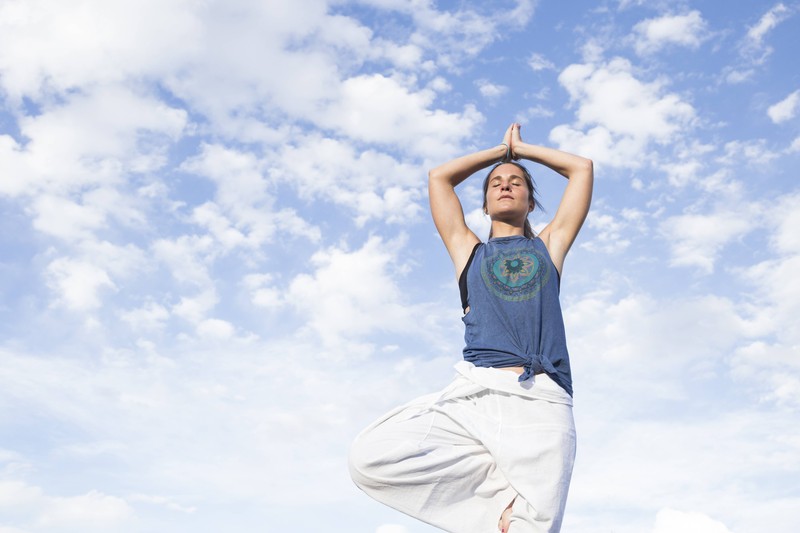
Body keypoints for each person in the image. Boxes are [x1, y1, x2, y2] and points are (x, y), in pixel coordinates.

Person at [349, 123, 593, 533]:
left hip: (542, 402)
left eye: (516, 183)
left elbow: (581, 169)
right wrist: (501, 152)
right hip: (476, 396)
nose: (505, 185)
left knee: (533, 528)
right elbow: (439, 178)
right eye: (496, 183)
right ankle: (494, 505)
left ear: (531, 202)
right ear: (483, 204)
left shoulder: (548, 246)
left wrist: (522, 151)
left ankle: (514, 507)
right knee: (370, 458)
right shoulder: (469, 251)